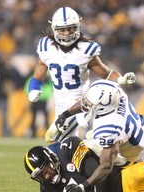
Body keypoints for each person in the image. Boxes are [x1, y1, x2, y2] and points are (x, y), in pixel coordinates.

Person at [27, 7, 136, 143]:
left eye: (70, 28)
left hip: (81, 103)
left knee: (54, 139)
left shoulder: (85, 49)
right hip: (60, 103)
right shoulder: (46, 46)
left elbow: (106, 74)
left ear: (77, 27)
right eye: (62, 29)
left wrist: (121, 79)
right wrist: (34, 88)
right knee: (66, 144)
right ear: (55, 29)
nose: (66, 33)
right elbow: (38, 73)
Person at [53, 79, 144, 192]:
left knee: (85, 147)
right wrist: (65, 114)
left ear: (103, 108)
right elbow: (88, 101)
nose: (87, 103)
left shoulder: (109, 129)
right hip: (143, 130)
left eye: (90, 103)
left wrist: (83, 186)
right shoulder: (114, 92)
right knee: (91, 138)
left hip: (134, 155)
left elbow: (106, 167)